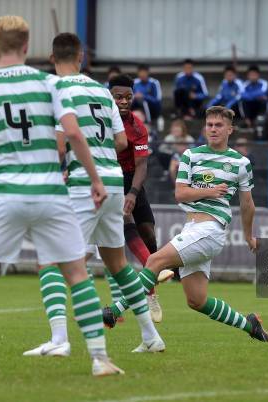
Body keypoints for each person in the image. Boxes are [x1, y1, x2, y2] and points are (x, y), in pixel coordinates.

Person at [0, 16, 123, 377]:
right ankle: (100, 359)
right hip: (50, 192)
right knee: (77, 274)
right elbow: (75, 136)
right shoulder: (50, 84)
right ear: (26, 45)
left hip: (5, 193)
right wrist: (95, 179)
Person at [23, 34, 165, 359]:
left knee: (53, 261)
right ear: (82, 56)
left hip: (85, 185)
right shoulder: (102, 91)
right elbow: (120, 143)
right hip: (113, 181)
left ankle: (59, 338)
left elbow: (60, 142)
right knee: (118, 264)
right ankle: (150, 335)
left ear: (50, 57)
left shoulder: (57, 89)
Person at [103, 106, 268, 343]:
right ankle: (249, 324)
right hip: (191, 228)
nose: (213, 129)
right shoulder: (191, 156)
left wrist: (248, 236)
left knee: (155, 261)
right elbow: (180, 194)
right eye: (210, 125)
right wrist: (211, 190)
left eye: (219, 125)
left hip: (211, 230)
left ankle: (116, 310)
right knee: (197, 300)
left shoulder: (241, 163)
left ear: (230, 130)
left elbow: (248, 205)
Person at [108, 74, 172, 324]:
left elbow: (142, 165)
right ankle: (152, 288)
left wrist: (133, 193)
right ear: (109, 97)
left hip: (132, 179)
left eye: (127, 97)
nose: (123, 101)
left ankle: (150, 281)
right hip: (108, 179)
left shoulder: (137, 127)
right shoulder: (101, 122)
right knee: (124, 229)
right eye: (118, 97)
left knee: (148, 234)